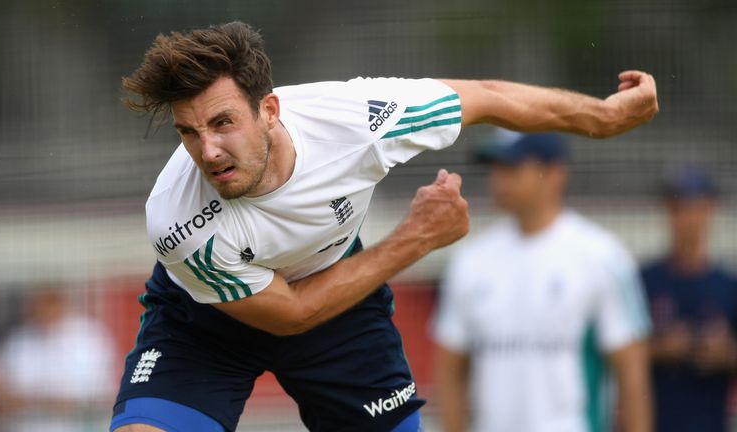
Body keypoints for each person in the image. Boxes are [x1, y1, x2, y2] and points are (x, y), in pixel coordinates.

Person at [111, 22, 658, 432]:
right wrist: (418, 236)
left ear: (269, 110)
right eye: (189, 132)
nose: (208, 150)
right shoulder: (178, 221)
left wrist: (604, 118)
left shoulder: (359, 120)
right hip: (206, 326)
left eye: (223, 122)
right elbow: (293, 313)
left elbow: (487, 96)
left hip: (340, 304)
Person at [432, 132, 653, 432]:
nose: (499, 180)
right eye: (495, 169)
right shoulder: (470, 260)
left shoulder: (602, 256)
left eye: (512, 168)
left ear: (554, 173)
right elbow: (449, 372)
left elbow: (632, 375)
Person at [642, 167, 737, 432]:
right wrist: (662, 348)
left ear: (710, 210)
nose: (688, 218)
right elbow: (619, 351)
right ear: (669, 212)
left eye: (696, 207)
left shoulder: (728, 286)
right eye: (679, 208)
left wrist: (725, 353)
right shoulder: (644, 281)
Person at [0, 286, 117, 432]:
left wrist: (37, 401)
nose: (44, 310)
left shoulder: (89, 336)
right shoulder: (17, 340)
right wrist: (46, 402)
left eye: (50, 302)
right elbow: (0, 396)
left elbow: (101, 394)